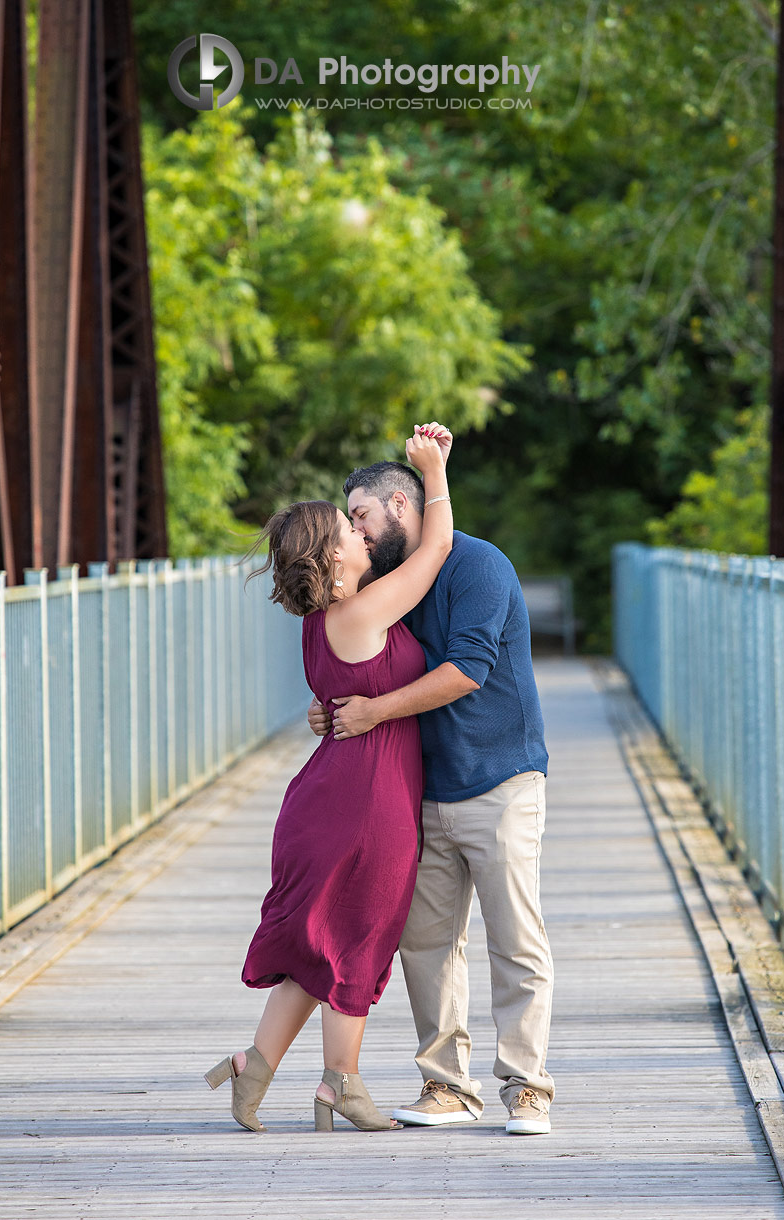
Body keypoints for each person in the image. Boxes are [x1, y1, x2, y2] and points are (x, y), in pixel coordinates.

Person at [204, 425, 453, 1134]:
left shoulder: (321, 620)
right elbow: (433, 548)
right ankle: (340, 1085)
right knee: (356, 939)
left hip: (334, 795)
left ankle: (255, 1071)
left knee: (321, 952)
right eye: (349, 526)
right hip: (364, 805)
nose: (360, 530)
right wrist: (432, 473)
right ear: (333, 554)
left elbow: (340, 692)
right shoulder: (360, 610)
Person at [308, 433, 554, 1135]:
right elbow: (362, 664)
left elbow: (467, 669)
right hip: (420, 791)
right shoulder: (390, 584)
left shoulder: (477, 565)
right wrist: (330, 709)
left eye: (358, 515)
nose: (351, 529)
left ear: (398, 503)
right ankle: (448, 1087)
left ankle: (528, 1088)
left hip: (499, 777)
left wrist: (373, 713)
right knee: (427, 943)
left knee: (515, 939)